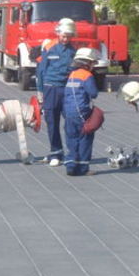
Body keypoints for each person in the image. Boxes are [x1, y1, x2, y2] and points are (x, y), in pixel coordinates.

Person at [36, 18, 77, 166]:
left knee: (71, 122)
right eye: (63, 36)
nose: (65, 39)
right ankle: (56, 153)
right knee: (52, 122)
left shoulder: (74, 51)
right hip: (50, 88)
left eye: (68, 36)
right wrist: (40, 91)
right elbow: (41, 70)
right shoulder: (49, 47)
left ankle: (72, 152)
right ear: (58, 34)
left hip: (66, 89)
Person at [63, 48, 100, 176]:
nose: (93, 66)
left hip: (69, 112)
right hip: (82, 112)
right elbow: (93, 93)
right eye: (92, 63)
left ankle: (71, 165)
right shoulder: (87, 76)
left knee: (71, 138)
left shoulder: (72, 75)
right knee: (85, 137)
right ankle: (83, 167)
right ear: (86, 63)